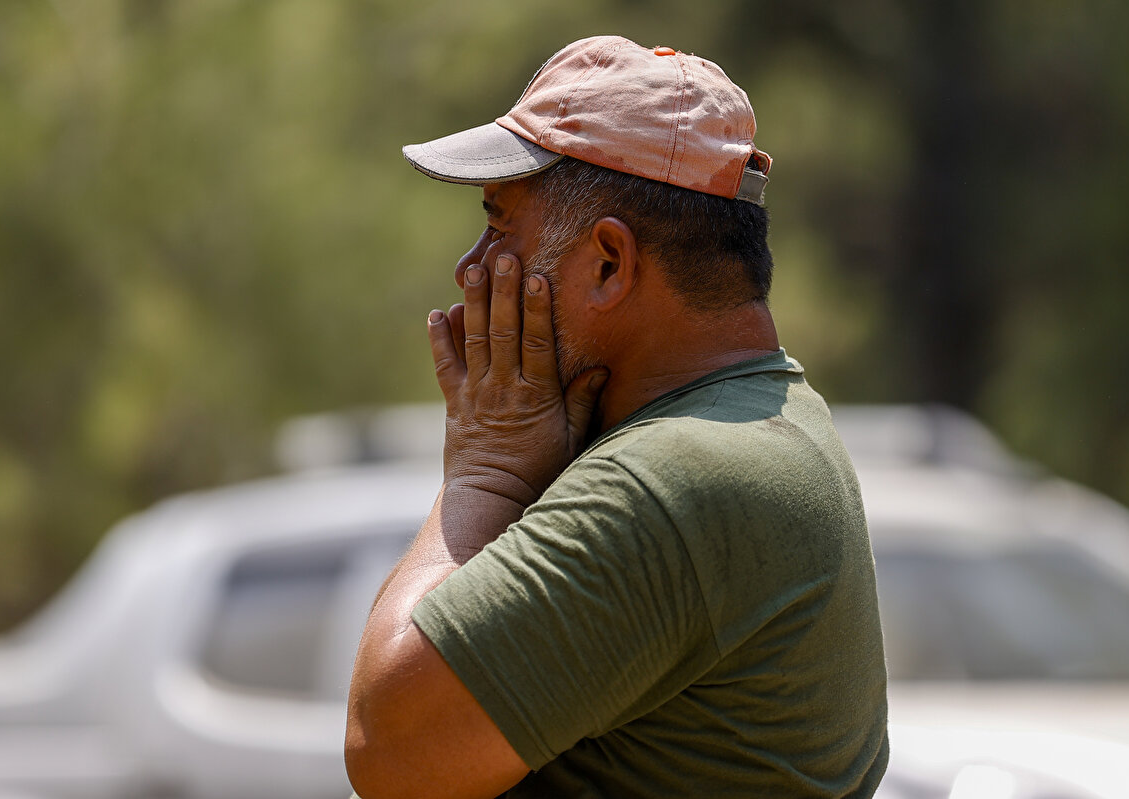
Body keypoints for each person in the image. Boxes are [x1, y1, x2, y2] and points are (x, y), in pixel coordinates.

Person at [345, 35, 887, 799]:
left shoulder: (676, 481)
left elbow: (388, 746)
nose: (472, 266)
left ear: (608, 262)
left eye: (499, 225)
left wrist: (486, 473)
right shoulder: (776, 421)